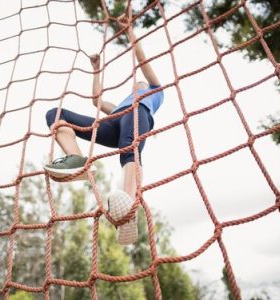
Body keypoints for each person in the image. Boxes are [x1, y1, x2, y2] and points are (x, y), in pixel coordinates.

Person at [44, 13, 163, 245]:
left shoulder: (155, 91)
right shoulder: (121, 103)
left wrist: (130, 32)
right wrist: (96, 69)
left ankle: (128, 206)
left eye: (142, 82)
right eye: (136, 83)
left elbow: (143, 61)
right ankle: (77, 162)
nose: (138, 82)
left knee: (129, 147)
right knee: (56, 115)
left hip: (138, 116)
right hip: (116, 122)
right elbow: (96, 100)